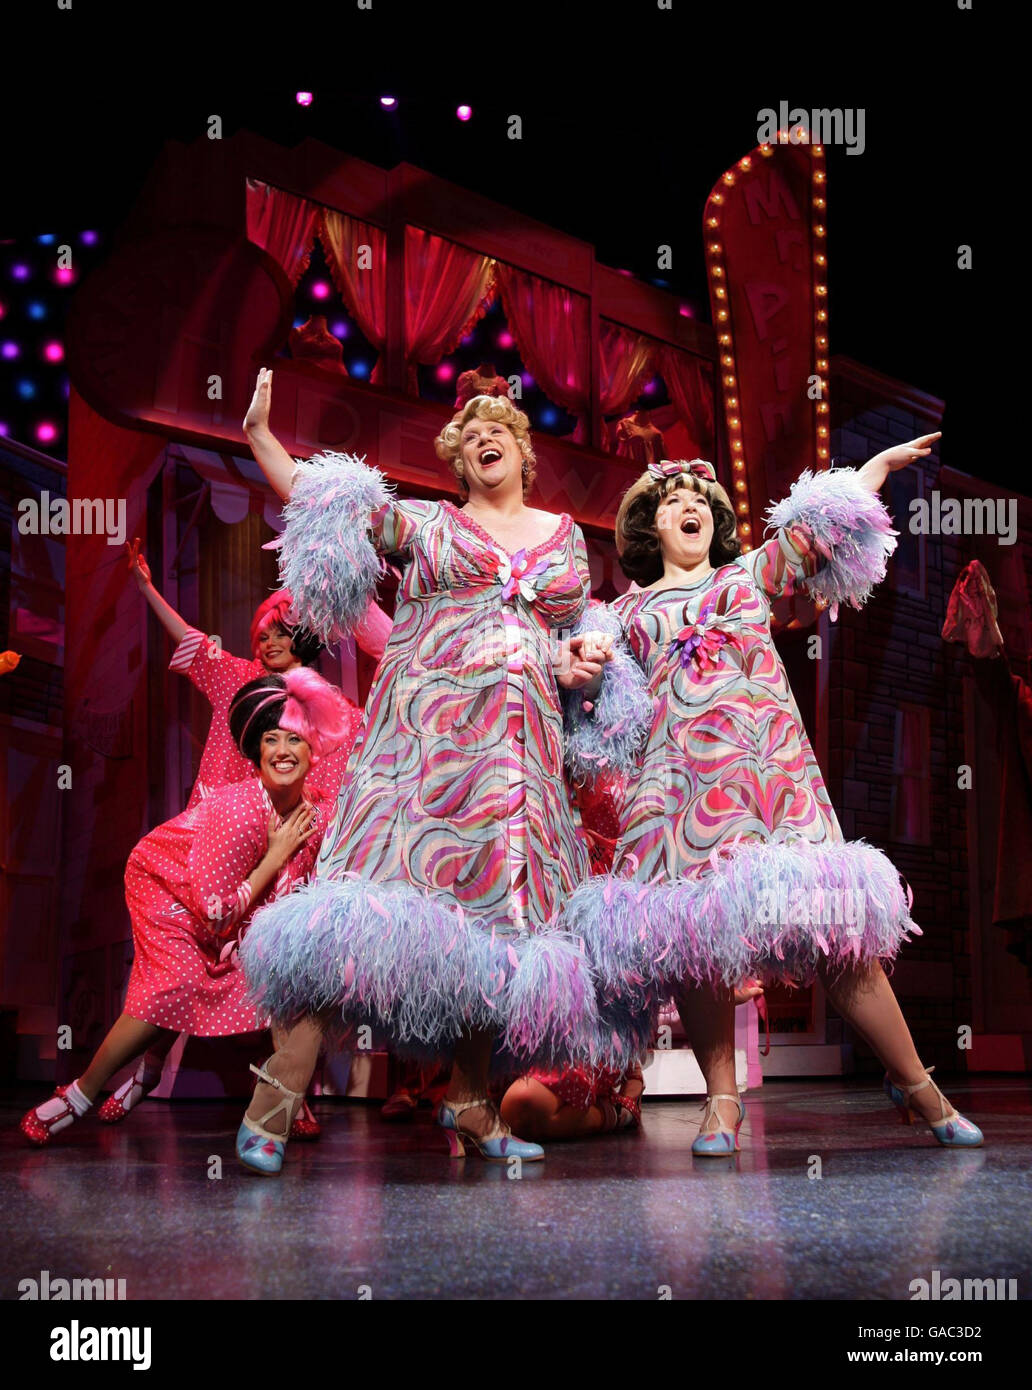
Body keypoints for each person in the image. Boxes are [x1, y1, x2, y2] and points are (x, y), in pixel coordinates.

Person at [232, 369, 650, 1175]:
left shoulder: (566, 541)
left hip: (519, 766)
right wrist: (260, 439)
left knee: (498, 941)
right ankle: (277, 1098)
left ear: (524, 452)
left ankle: (469, 1101)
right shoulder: (428, 526)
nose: (483, 438)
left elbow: (577, 649)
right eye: (468, 435)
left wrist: (588, 671)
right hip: (424, 749)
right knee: (356, 922)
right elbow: (327, 503)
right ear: (459, 461)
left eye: (499, 429)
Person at [563, 446, 984, 1154]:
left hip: (772, 788)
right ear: (647, 525)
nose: (690, 505)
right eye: (673, 500)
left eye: (702, 497)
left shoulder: (747, 575)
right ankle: (721, 1104)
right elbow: (605, 710)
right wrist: (588, 673)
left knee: (840, 942)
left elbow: (825, 523)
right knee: (698, 950)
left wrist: (876, 467)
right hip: (678, 798)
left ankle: (918, 1085)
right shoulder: (626, 613)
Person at [21, 671, 354, 1148]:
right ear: (256, 753)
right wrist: (275, 855)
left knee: (281, 982)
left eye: (294, 739)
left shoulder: (314, 812)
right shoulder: (237, 811)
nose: (282, 750)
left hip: (229, 896)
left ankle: (278, 1096)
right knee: (174, 983)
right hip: (166, 886)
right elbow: (216, 913)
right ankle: (81, 1093)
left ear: (312, 752)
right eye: (270, 740)